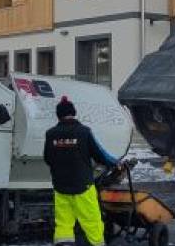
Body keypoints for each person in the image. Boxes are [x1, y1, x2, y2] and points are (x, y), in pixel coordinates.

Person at [44, 96, 119, 246]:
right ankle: (97, 244)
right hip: (83, 187)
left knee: (64, 222)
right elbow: (100, 154)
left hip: (61, 187)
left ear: (58, 115)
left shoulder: (51, 134)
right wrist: (115, 163)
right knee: (91, 220)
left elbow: (48, 158)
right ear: (73, 113)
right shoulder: (84, 132)